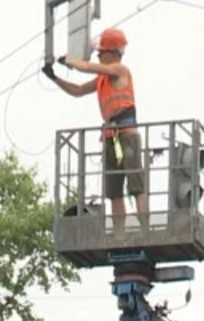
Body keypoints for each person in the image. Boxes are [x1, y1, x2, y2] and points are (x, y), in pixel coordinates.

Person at [46, 27, 148, 234]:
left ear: (112, 53)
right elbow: (79, 91)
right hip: (110, 136)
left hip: (127, 133)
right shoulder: (102, 78)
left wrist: (70, 60)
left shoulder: (120, 70)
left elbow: (86, 66)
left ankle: (145, 229)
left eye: (102, 52)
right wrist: (54, 78)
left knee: (136, 186)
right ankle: (119, 234)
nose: (99, 55)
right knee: (114, 191)